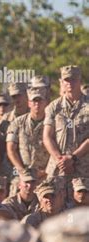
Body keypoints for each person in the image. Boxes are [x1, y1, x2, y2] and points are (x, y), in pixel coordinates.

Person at [43, 65, 89, 203]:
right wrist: (60, 160)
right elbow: (47, 136)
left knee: (82, 208)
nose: (69, 83)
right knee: (54, 205)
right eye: (66, 80)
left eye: (73, 80)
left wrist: (73, 158)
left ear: (79, 80)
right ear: (61, 82)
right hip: (58, 169)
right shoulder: (53, 107)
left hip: (83, 168)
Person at [6, 86, 49, 182]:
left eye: (40, 101)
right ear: (29, 103)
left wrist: (46, 171)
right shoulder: (18, 123)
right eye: (34, 101)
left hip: (46, 175)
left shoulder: (52, 123)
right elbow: (11, 149)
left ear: (45, 102)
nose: (37, 104)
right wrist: (22, 171)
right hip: (23, 173)